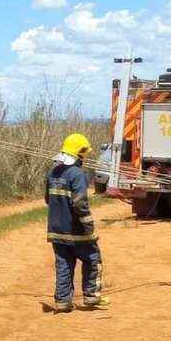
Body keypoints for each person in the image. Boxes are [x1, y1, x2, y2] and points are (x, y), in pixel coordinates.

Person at [46, 133, 109, 312]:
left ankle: (63, 301)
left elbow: (47, 199)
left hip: (56, 230)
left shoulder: (52, 172)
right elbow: (80, 203)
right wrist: (89, 228)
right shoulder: (78, 174)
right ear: (79, 154)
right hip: (76, 231)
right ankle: (91, 296)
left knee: (64, 264)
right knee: (92, 259)